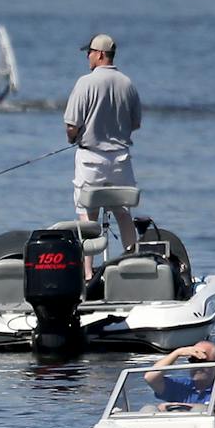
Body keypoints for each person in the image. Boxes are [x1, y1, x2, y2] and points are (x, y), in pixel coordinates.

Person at [64, 33, 141, 278]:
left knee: (87, 215)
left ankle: (87, 274)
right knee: (123, 212)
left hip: (91, 159)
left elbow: (71, 126)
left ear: (99, 54)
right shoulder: (128, 83)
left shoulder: (85, 83)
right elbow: (136, 123)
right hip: (120, 158)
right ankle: (133, 264)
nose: (87, 56)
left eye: (89, 52)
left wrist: (73, 137)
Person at [144, 341, 215, 428]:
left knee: (200, 410)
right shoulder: (182, 385)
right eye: (193, 360)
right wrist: (177, 353)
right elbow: (150, 378)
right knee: (148, 410)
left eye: (201, 361)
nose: (197, 366)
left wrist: (177, 406)